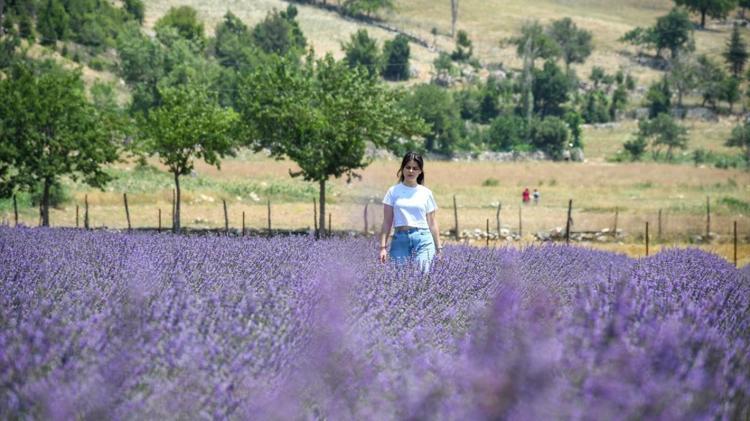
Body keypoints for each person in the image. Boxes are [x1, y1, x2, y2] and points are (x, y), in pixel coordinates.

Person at [379, 151, 442, 271]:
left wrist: (439, 248)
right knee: (399, 277)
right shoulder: (393, 192)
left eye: (415, 168)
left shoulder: (426, 193)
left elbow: (432, 223)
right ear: (402, 169)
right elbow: (387, 222)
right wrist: (383, 247)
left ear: (420, 171)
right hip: (400, 238)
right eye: (408, 167)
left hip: (423, 239)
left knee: (422, 274)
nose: (411, 171)